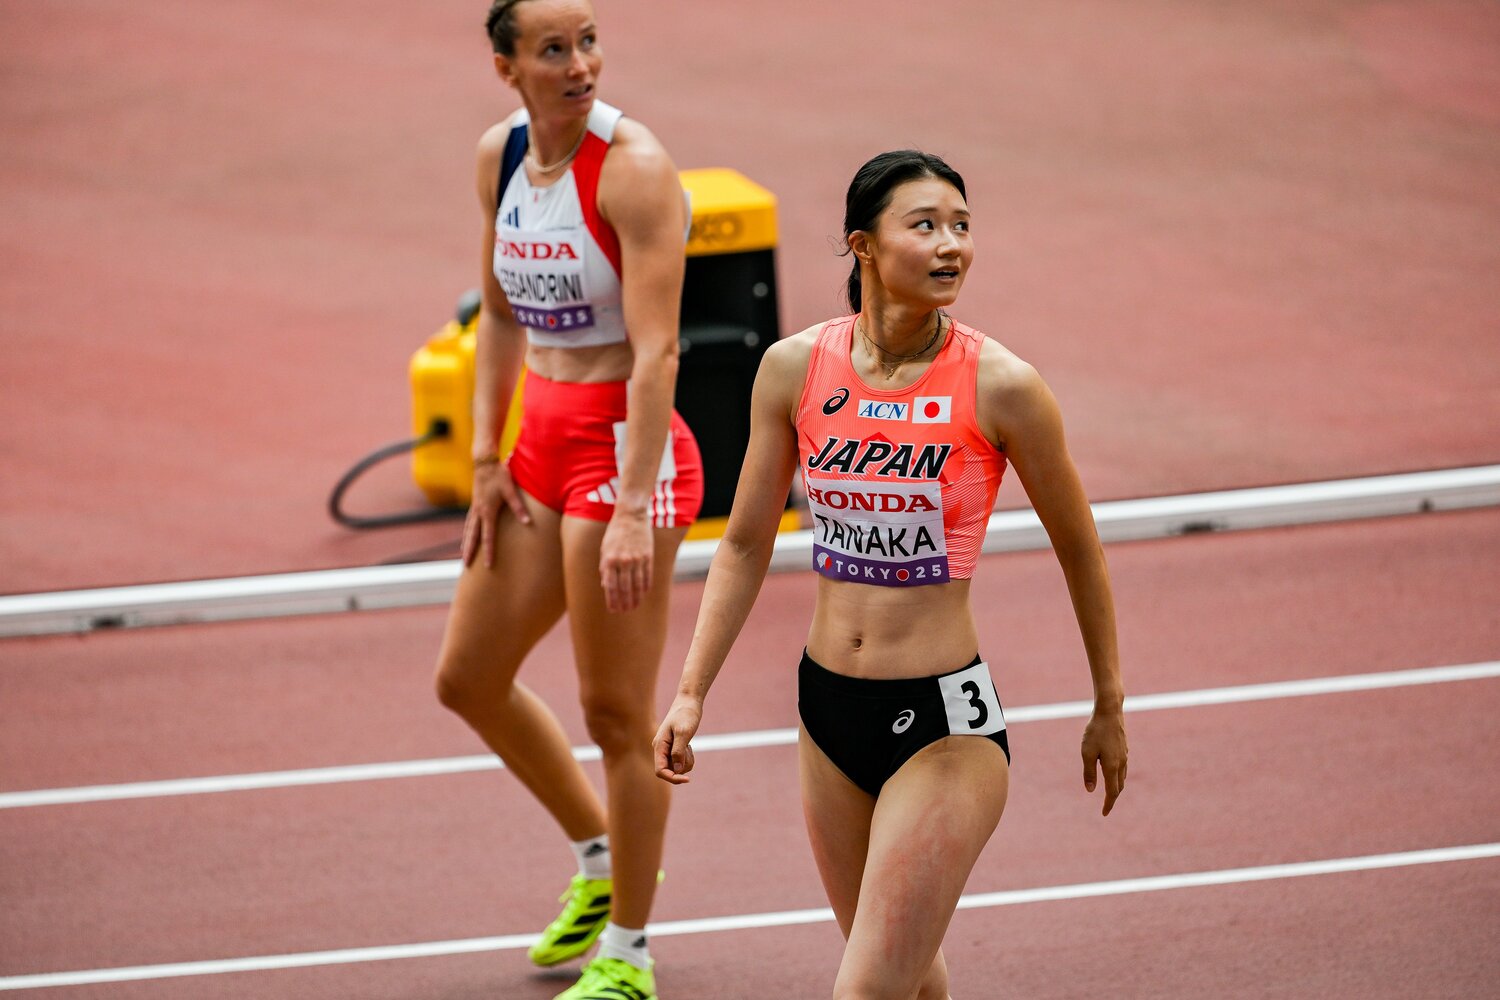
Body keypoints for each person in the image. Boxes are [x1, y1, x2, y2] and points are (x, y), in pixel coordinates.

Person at [653, 150, 1128, 1000]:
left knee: (864, 990)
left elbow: (1081, 549)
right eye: (926, 225)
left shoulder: (1003, 386)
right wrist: (692, 690)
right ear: (862, 245)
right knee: (909, 979)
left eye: (963, 226)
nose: (951, 245)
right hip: (828, 712)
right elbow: (744, 544)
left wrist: (1108, 704)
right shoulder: (794, 368)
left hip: (945, 728)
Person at [433, 3, 702, 998]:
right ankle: (600, 859)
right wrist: (484, 460)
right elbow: (498, 317)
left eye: (588, 41)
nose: (580, 63)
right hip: (538, 438)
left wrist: (635, 505)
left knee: (615, 712)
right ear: (507, 67)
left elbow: (660, 350)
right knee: (467, 676)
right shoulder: (498, 159)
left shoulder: (632, 167)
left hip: (625, 446)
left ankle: (630, 951)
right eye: (554, 49)